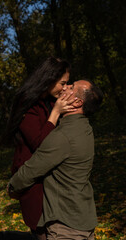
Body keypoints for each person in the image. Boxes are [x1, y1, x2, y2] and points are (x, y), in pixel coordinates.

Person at [8, 79, 103, 240]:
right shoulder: (85, 128)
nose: (64, 87)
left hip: (66, 227)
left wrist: (12, 187)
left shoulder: (63, 136)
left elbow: (31, 170)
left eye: (71, 87)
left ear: (77, 102)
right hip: (83, 218)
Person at [5, 57, 75, 240]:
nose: (64, 87)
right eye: (62, 83)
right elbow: (39, 143)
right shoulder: (27, 103)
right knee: (42, 231)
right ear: (49, 78)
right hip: (33, 179)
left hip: (53, 178)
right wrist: (56, 113)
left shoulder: (51, 101)